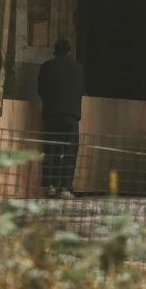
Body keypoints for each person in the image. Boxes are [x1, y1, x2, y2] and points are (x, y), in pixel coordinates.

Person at [38, 39, 84, 199]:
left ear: (54, 51)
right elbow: (81, 90)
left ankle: (51, 186)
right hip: (71, 116)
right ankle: (65, 188)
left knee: (51, 150)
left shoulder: (46, 67)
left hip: (51, 115)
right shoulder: (78, 68)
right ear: (69, 52)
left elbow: (41, 91)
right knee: (69, 151)